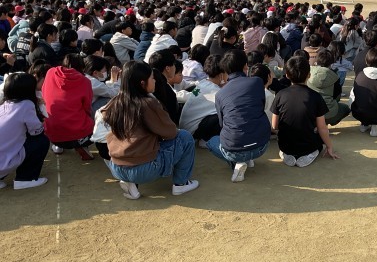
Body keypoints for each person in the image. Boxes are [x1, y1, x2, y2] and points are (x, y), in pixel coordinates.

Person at [102, 61, 199, 200]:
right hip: (144, 170)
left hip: (116, 167)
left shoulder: (115, 102)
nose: (155, 81)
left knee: (135, 144)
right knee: (184, 136)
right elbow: (170, 132)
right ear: (142, 83)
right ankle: (181, 184)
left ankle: (131, 184)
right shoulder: (147, 103)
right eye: (152, 78)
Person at [205, 49, 271, 182]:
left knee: (211, 142)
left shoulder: (220, 94)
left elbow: (222, 124)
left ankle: (237, 163)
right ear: (245, 65)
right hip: (261, 145)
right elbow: (260, 107)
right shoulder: (257, 82)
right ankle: (246, 158)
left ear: (225, 70)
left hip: (234, 149)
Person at [271, 55, 338, 167]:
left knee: (289, 136)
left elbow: (274, 125)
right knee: (318, 136)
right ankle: (308, 155)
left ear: (287, 75)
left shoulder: (280, 94)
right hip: (308, 145)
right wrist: (329, 146)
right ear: (309, 75)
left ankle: (287, 154)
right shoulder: (316, 97)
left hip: (285, 144)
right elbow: (322, 128)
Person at [0, 72, 50, 190]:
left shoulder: (4, 104)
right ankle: (25, 178)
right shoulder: (26, 105)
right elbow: (36, 130)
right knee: (41, 141)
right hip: (3, 163)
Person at [42, 54, 95, 160]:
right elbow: (87, 107)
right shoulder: (85, 81)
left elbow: (44, 93)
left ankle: (58, 146)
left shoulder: (50, 72)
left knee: (55, 114)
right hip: (77, 133)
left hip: (51, 132)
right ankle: (82, 144)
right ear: (82, 67)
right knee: (95, 117)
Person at [307, 48, 350, 126]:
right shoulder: (335, 77)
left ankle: (315, 125)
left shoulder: (308, 72)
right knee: (346, 108)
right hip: (329, 112)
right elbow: (337, 96)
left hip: (310, 111)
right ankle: (327, 123)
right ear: (331, 63)